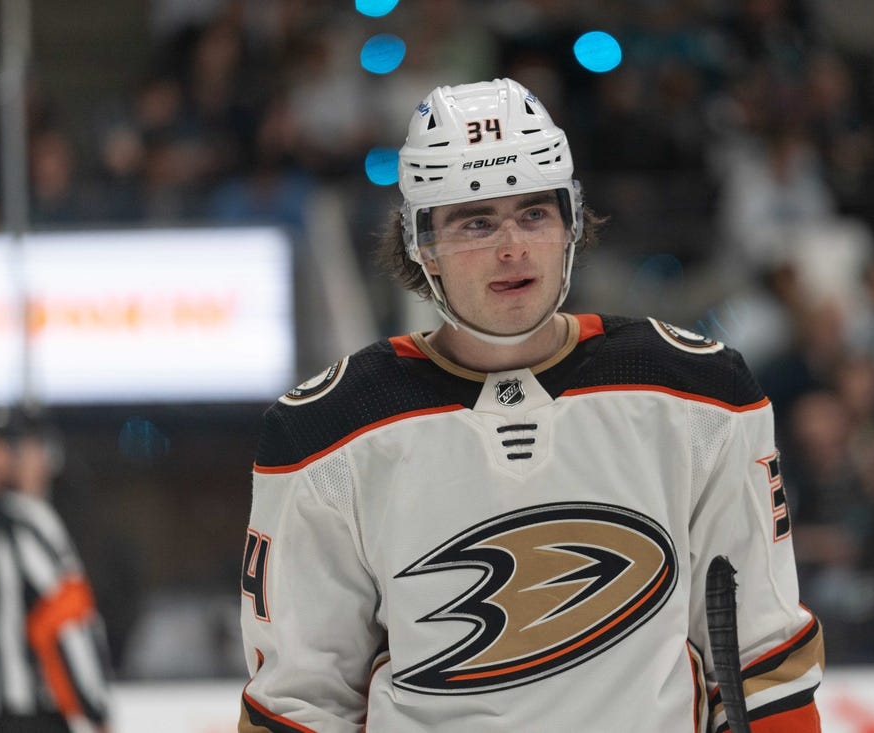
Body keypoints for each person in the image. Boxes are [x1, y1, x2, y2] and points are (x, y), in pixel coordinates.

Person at [239, 78, 824, 732]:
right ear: (420, 241)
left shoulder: (697, 394)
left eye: (533, 213)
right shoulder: (329, 432)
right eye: (476, 220)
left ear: (571, 221)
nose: (511, 246)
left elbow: (763, 653)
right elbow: (299, 700)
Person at [0, 409, 114, 732]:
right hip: (24, 717)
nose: (44, 464)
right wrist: (95, 709)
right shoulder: (27, 520)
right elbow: (66, 622)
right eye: (32, 450)